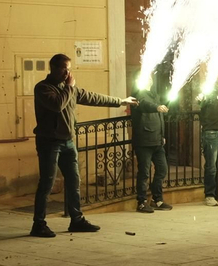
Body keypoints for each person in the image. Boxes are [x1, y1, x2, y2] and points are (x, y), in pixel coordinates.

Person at [30, 54, 129, 235]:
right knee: (47, 183)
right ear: (53, 68)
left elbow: (92, 97)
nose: (67, 73)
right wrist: (69, 87)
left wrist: (120, 101)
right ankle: (38, 224)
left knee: (74, 181)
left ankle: (76, 220)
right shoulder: (43, 88)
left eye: (69, 69)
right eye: (63, 69)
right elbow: (57, 105)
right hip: (49, 143)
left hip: (68, 142)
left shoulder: (70, 89)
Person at [131, 81, 174, 210]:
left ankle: (157, 200)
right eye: (146, 77)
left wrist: (162, 136)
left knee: (162, 169)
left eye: (150, 77)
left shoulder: (154, 95)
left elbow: (159, 118)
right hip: (144, 141)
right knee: (144, 172)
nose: (149, 80)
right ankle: (142, 202)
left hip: (157, 142)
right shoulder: (138, 94)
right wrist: (156, 107)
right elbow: (144, 105)